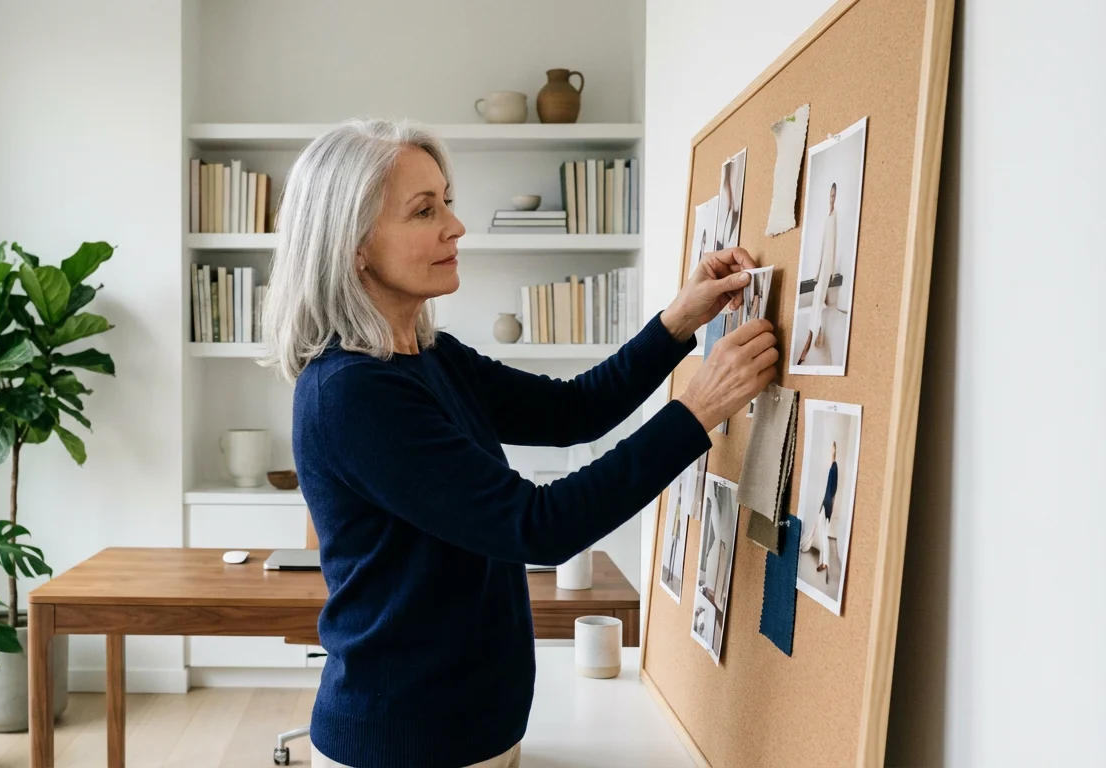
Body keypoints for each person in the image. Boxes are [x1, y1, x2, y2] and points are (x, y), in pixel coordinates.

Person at [259, 118, 777, 768]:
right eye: (425, 210)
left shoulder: (430, 356)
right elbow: (538, 526)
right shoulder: (352, 394)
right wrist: (697, 409)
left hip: (473, 727)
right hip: (406, 741)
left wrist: (679, 320)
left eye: (447, 200)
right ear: (353, 246)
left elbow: (573, 412)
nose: (455, 225)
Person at [797, 182, 839, 365]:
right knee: (817, 302)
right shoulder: (827, 218)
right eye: (830, 195)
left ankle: (813, 337)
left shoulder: (834, 217)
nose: (831, 198)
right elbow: (823, 246)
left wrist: (828, 272)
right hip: (822, 268)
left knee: (819, 301)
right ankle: (813, 336)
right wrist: (817, 271)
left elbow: (832, 245)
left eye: (833, 195)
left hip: (828, 267)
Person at [802, 441, 840, 582]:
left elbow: (830, 490)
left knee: (824, 535)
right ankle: (823, 562)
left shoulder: (834, 469)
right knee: (822, 534)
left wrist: (826, 505)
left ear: (834, 451)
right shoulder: (833, 467)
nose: (831, 451)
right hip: (825, 504)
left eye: (832, 449)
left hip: (827, 504)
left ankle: (824, 563)